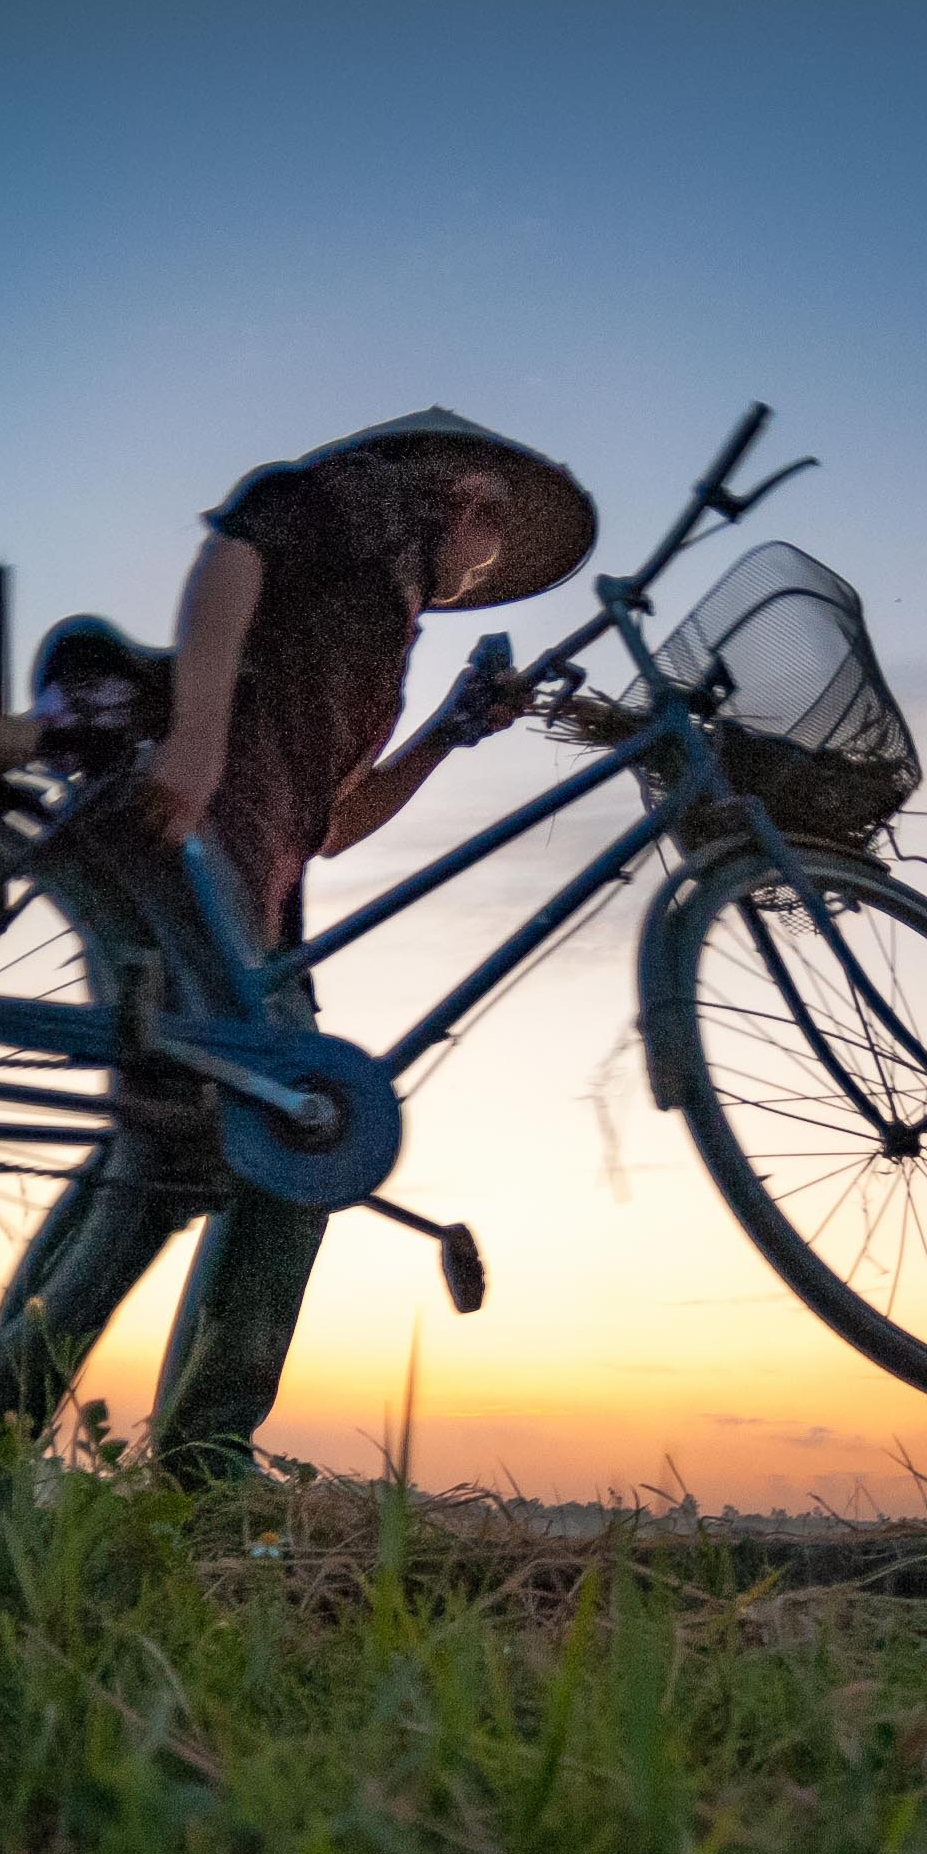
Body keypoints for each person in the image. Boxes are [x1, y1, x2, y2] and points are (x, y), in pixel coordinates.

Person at [132, 409, 599, 1481]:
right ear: (463, 496)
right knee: (166, 1161)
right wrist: (195, 741)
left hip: (266, 906)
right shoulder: (358, 512)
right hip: (207, 851)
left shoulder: (383, 628)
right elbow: (235, 547)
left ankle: (198, 1458)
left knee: (300, 1143)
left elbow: (338, 822)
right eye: (489, 532)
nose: (487, 561)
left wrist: (443, 733)